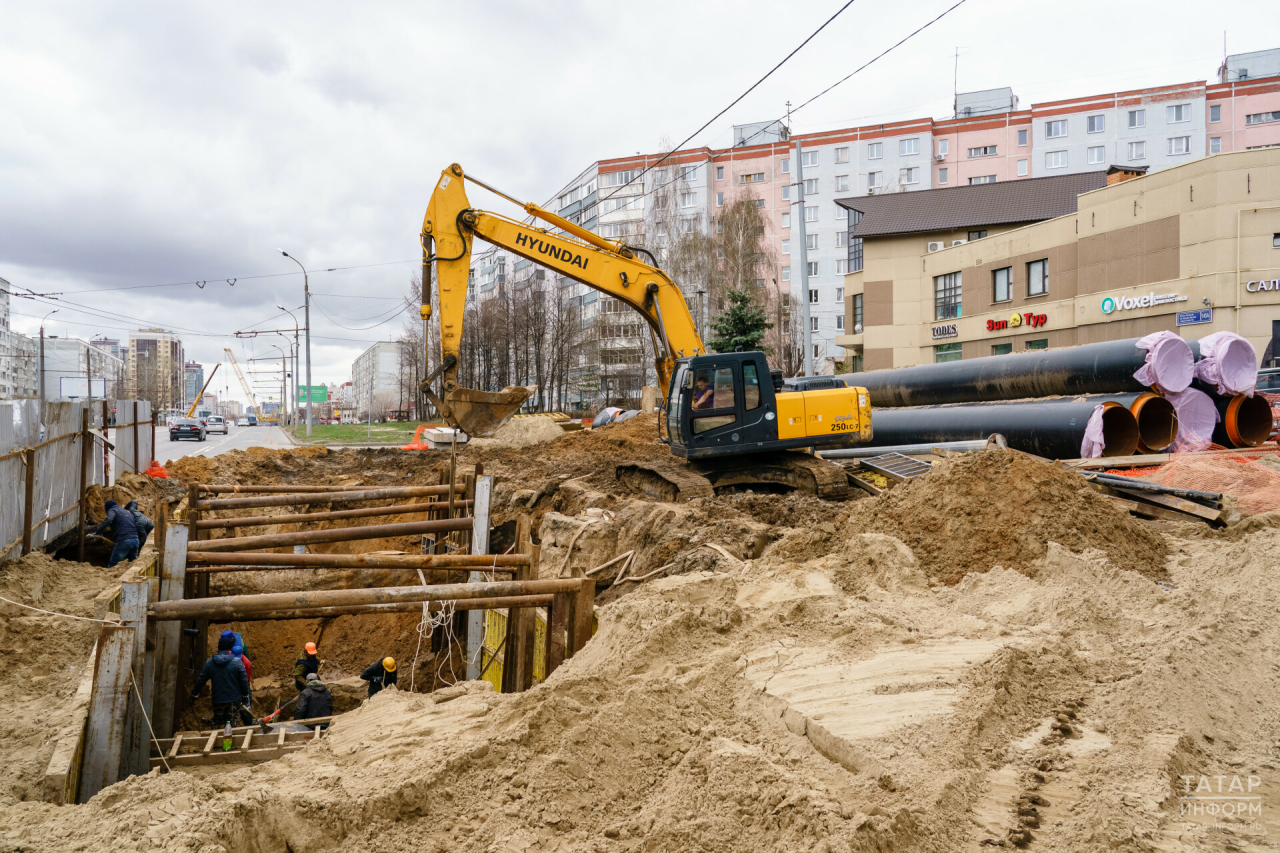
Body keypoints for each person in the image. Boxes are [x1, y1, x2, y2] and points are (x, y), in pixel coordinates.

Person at [190, 635, 250, 729]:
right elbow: (244, 681)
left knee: (217, 724)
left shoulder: (209, 663)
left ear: (218, 648)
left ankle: (215, 741)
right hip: (234, 700)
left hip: (218, 700)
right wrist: (245, 697)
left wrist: (194, 694)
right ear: (230, 648)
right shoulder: (237, 662)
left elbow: (201, 680)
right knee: (231, 727)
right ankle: (228, 742)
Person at [92, 500, 139, 568]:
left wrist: (98, 531)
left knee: (113, 565)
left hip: (124, 540)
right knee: (131, 565)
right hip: (135, 540)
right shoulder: (126, 511)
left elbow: (108, 519)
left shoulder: (113, 510)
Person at [233, 643, 254, 726]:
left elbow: (247, 680)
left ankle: (249, 723)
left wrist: (244, 694)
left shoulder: (247, 663)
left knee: (246, 706)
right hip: (232, 685)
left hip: (243, 684)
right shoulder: (229, 658)